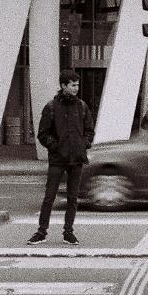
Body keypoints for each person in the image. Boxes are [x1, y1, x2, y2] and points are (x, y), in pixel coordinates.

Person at [27, 69, 95, 246]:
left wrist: (84, 143)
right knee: (49, 196)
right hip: (58, 159)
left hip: (77, 157)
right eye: (73, 85)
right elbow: (43, 134)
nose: (76, 88)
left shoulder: (82, 106)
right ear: (63, 86)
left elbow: (89, 130)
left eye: (77, 85)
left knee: (73, 198)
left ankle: (68, 233)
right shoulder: (51, 107)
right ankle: (41, 232)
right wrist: (56, 147)